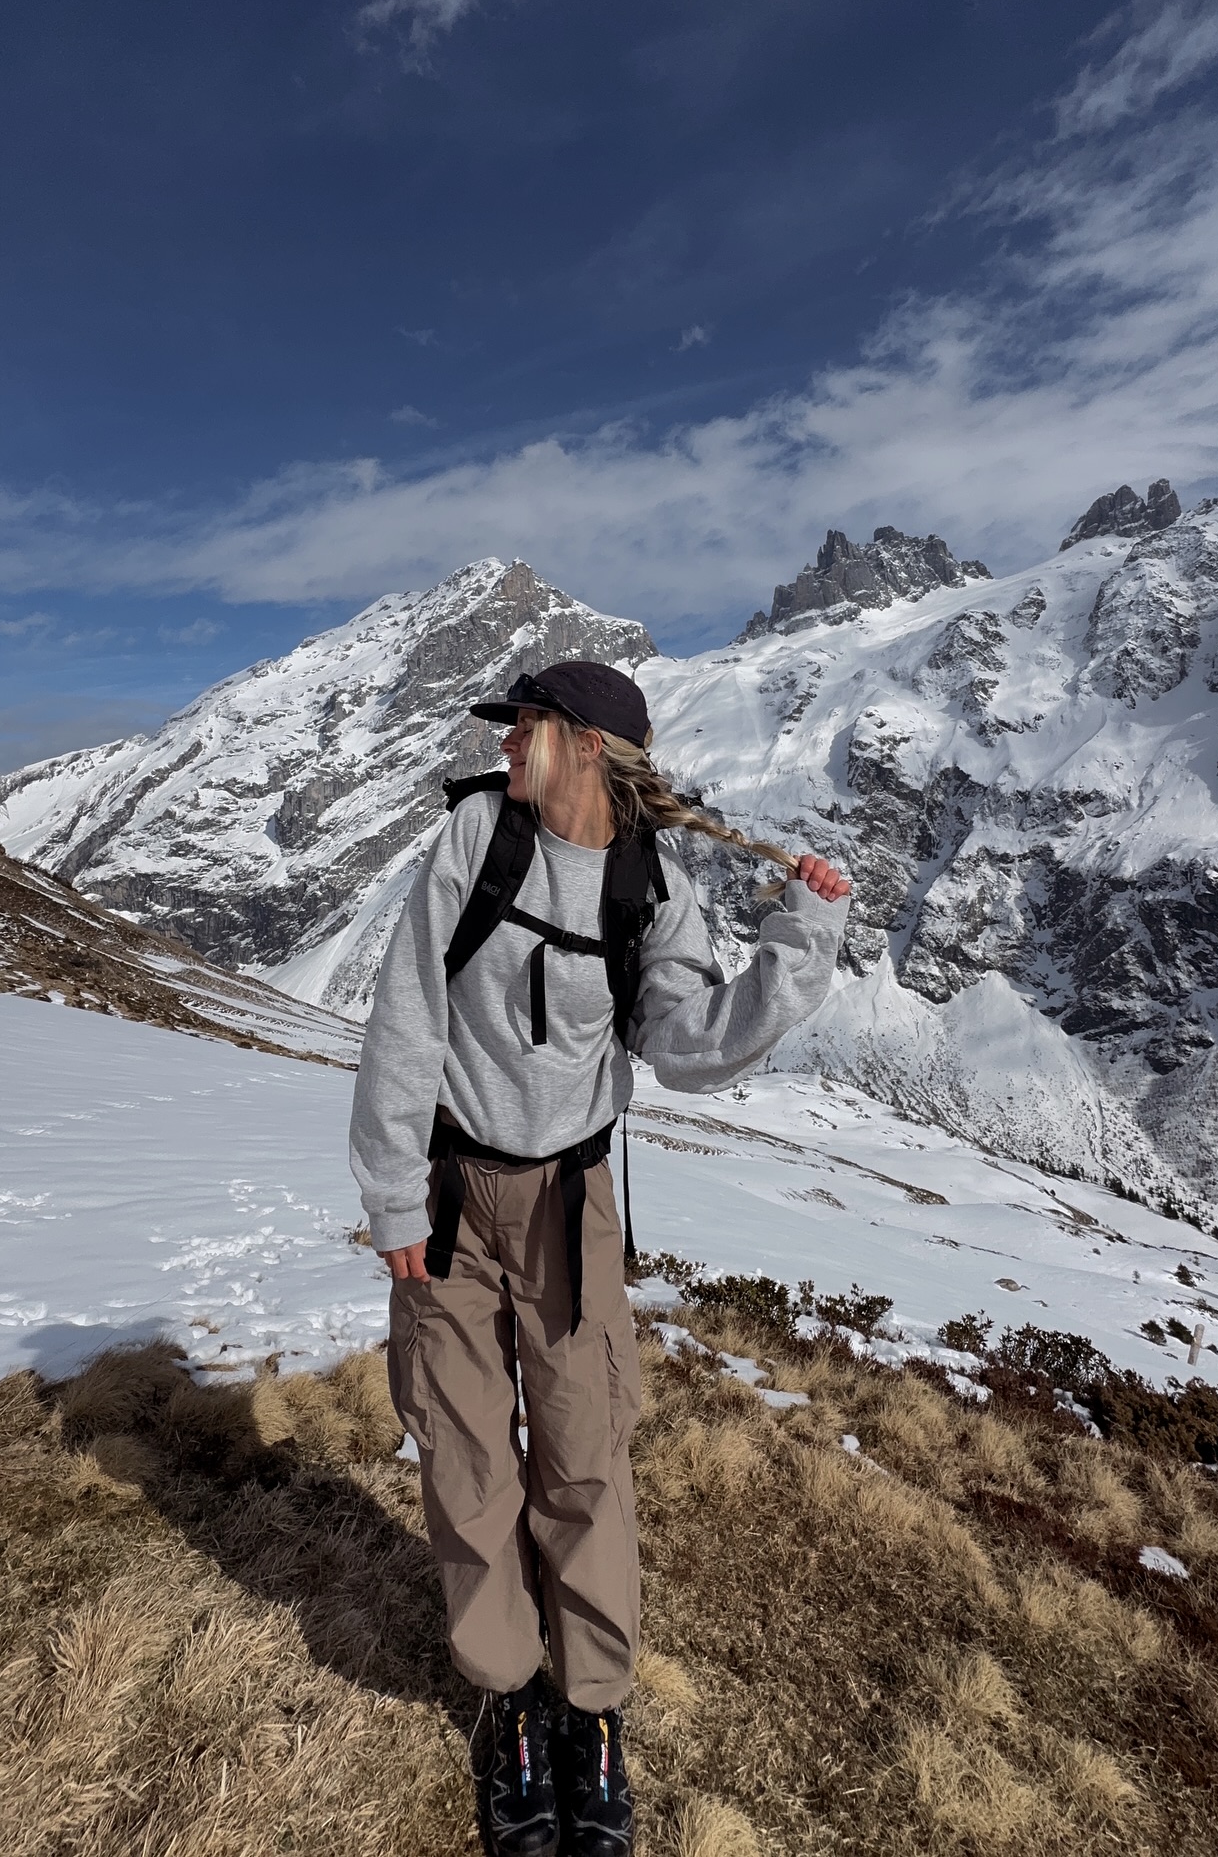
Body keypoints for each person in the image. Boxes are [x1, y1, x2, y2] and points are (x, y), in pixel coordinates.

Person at [349, 661, 851, 1857]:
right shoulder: (478, 837)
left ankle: (592, 1710)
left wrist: (802, 945)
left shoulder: (650, 885)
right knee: (467, 1457)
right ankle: (510, 1700)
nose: (507, 744)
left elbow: (687, 1041)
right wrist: (391, 1201)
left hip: (574, 1204)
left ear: (582, 745)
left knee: (585, 1455)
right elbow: (408, 1015)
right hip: (450, 1192)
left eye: (524, 728)